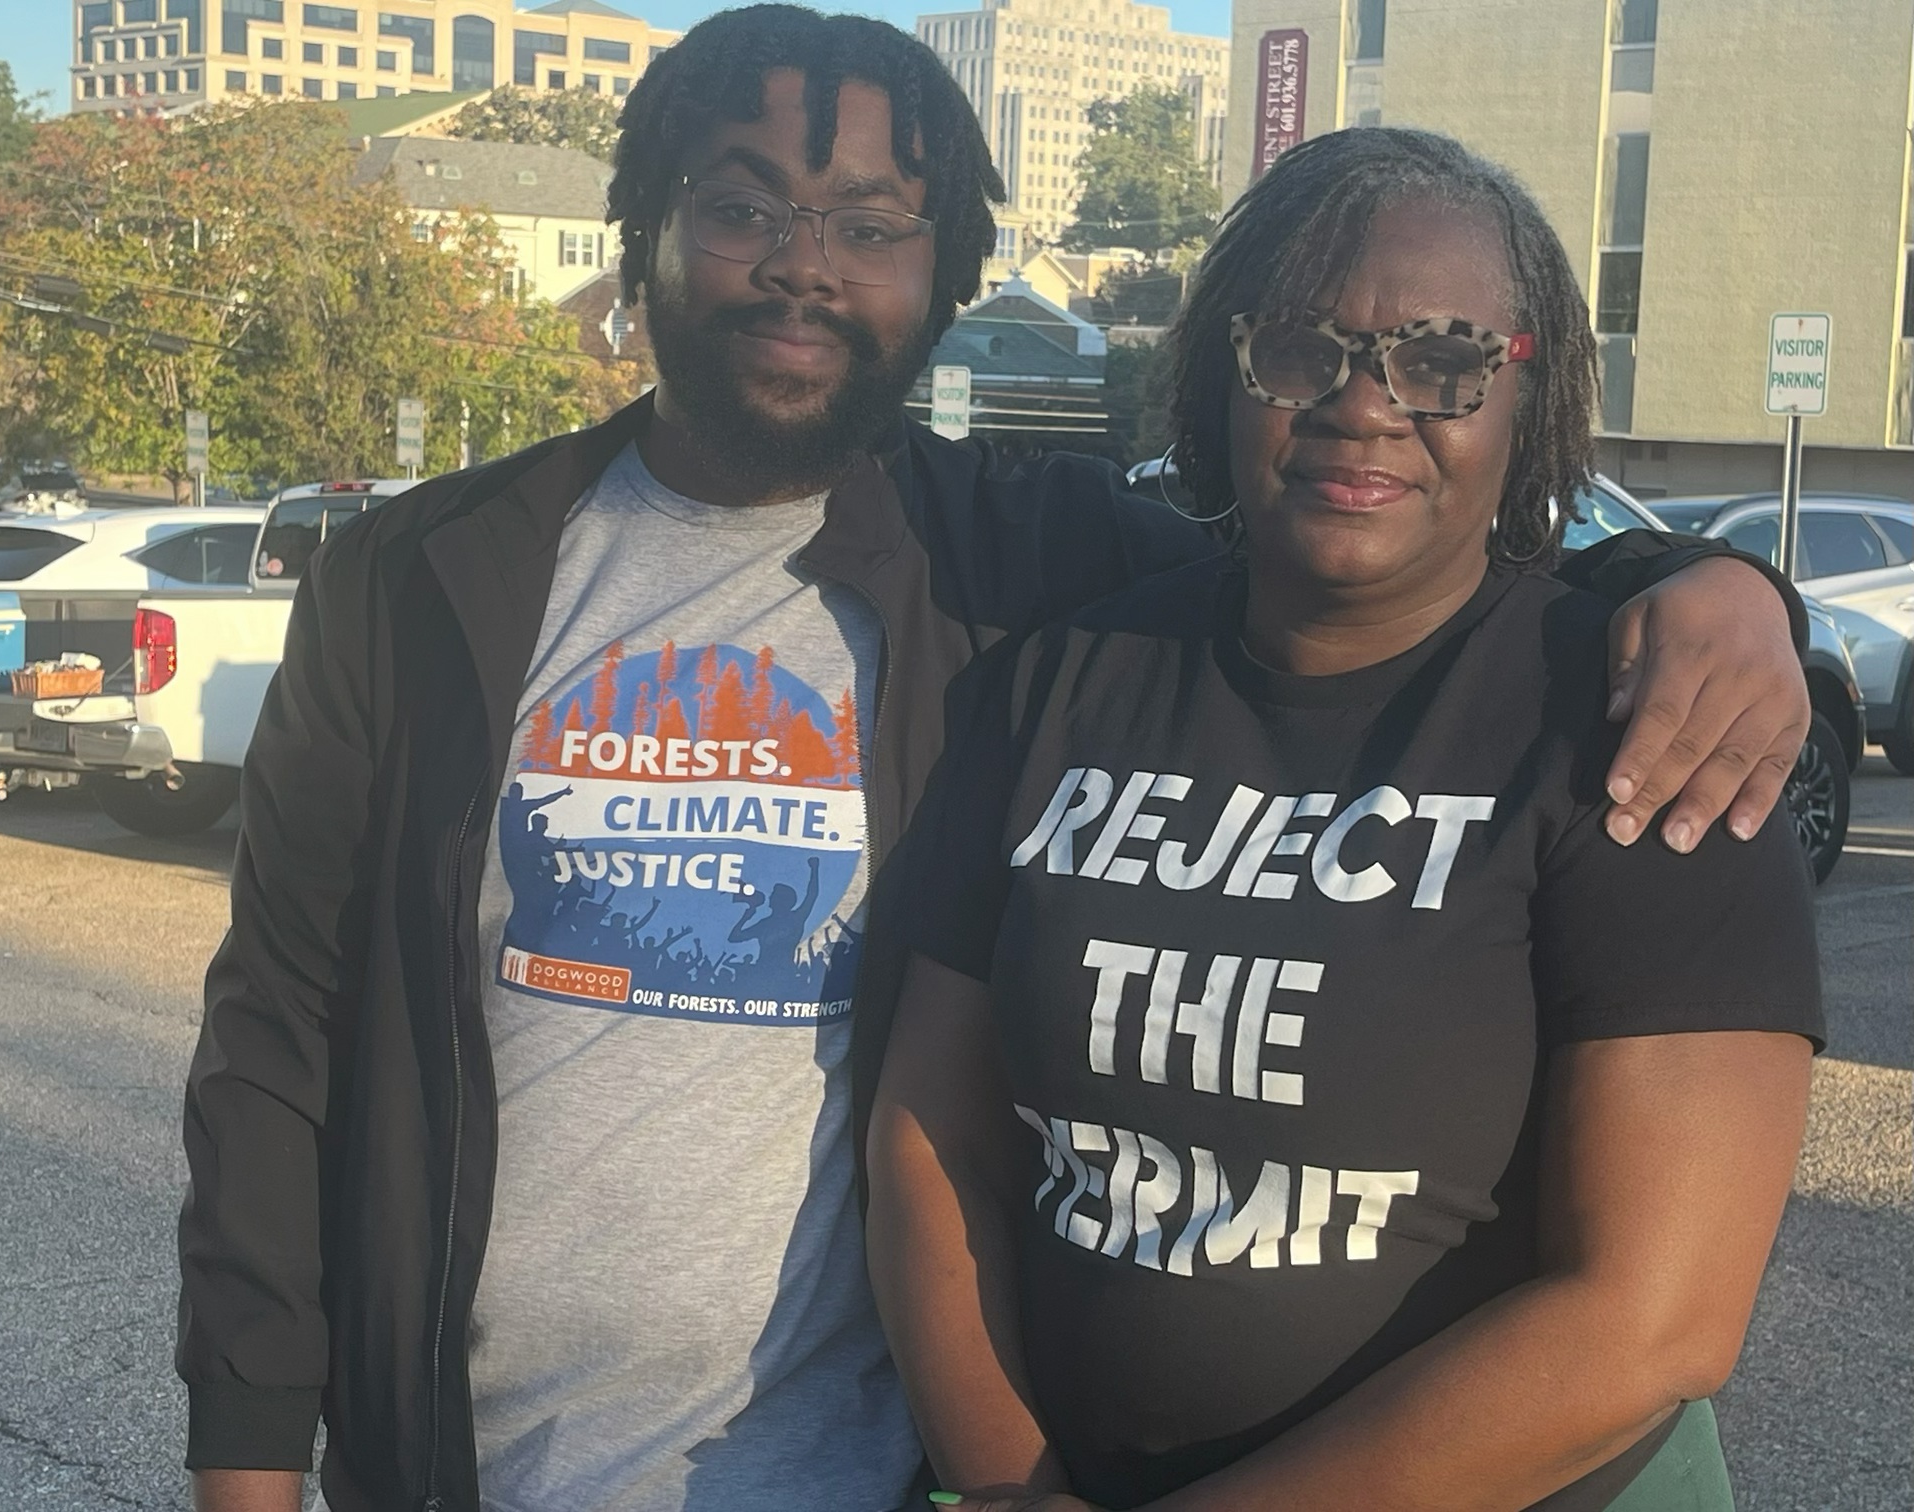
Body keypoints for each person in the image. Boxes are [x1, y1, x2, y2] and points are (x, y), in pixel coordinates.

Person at [176, 10, 1810, 1511]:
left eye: (874, 226)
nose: (803, 267)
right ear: (645, 229)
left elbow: (1377, 548)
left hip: (862, 1477)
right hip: (467, 1462)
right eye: (744, 205)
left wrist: (1714, 586)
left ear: (946, 272)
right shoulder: (417, 584)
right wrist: (249, 1457)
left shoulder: (1023, 567)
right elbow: (279, 1039)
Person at [866, 128, 1822, 1512]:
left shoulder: (1640, 730)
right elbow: (930, 1128)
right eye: (1303, 350)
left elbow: (1651, 1319)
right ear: (1226, 370)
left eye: (1442, 363)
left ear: (1522, 396)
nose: (1363, 408)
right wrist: (1012, 1488)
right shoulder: (1061, 685)